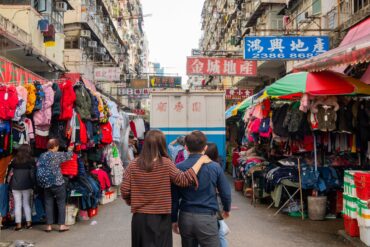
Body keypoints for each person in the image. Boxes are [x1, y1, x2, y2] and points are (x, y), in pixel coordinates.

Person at [120, 130, 211, 247]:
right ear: (162, 144)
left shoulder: (133, 164)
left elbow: (125, 190)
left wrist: (132, 202)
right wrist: (200, 161)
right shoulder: (166, 164)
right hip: (161, 218)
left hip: (140, 218)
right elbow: (183, 180)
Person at [172, 131, 232, 247]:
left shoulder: (178, 168)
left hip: (185, 217)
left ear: (186, 147)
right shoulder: (215, 167)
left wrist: (174, 219)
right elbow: (225, 192)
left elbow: (174, 198)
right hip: (207, 218)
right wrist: (226, 209)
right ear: (205, 148)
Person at [36, 139, 74, 232]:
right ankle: (61, 225)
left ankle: (48, 226)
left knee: (48, 203)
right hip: (57, 183)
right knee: (61, 203)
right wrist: (70, 149)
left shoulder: (42, 155)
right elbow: (69, 156)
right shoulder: (57, 155)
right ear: (56, 146)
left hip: (46, 183)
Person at [205, 143, 230, 247]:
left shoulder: (199, 166)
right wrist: (226, 208)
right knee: (219, 234)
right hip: (214, 206)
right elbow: (225, 192)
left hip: (204, 208)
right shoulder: (217, 166)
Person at [8, 144, 36, 231]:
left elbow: (10, 172)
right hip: (27, 185)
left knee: (17, 205)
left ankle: (18, 225)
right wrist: (34, 184)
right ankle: (28, 223)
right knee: (26, 204)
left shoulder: (14, 160)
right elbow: (32, 174)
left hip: (15, 185)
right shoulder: (31, 160)